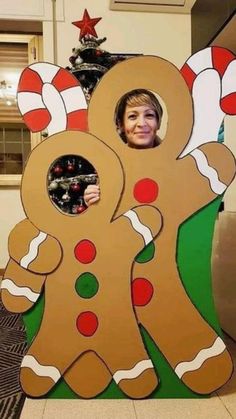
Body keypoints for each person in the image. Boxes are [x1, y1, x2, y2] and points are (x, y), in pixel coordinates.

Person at [84, 89, 163, 206]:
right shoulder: (112, 164)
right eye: (132, 116)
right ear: (121, 124)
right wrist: (93, 202)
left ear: (158, 123)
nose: (141, 123)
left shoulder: (172, 162)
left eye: (149, 115)